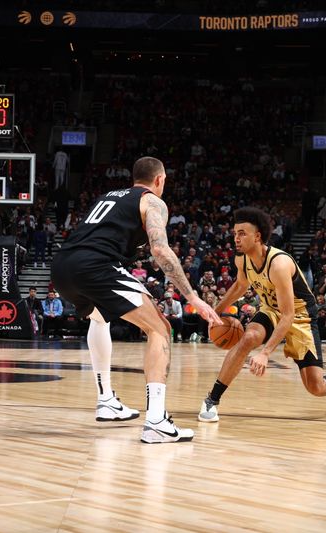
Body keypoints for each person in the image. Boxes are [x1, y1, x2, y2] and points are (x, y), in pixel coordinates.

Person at [52, 156, 220, 444]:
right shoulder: (153, 201)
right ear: (160, 180)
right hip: (96, 266)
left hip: (63, 266)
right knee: (160, 328)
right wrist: (193, 297)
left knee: (99, 317)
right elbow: (162, 251)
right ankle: (156, 421)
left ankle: (106, 400)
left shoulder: (109, 197)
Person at [198, 207, 326, 423]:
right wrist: (214, 312)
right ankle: (212, 400)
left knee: (316, 387)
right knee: (249, 337)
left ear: (257, 236)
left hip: (301, 317)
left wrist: (265, 353)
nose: (236, 238)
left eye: (242, 233)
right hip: (271, 310)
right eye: (235, 233)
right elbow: (240, 285)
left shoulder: (279, 264)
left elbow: (288, 315)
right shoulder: (241, 259)